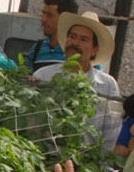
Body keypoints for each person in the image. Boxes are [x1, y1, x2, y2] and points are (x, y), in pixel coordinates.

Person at [33, 11, 121, 151]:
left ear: (94, 49)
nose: (75, 43)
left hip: (87, 160)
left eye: (83, 39)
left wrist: (99, 159)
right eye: (72, 36)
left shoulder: (108, 85)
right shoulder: (43, 76)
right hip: (47, 156)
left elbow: (112, 130)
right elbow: (33, 123)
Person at [26, 0, 79, 72]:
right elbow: (27, 75)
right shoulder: (37, 48)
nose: (43, 20)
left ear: (65, 20)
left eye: (49, 15)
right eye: (43, 14)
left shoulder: (77, 50)